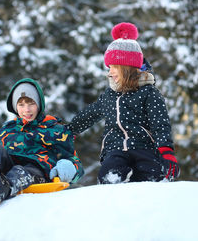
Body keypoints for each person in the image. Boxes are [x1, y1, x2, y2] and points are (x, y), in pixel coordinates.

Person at [67, 22, 179, 184]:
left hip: (144, 148)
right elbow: (90, 113)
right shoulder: (109, 95)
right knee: (109, 176)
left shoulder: (149, 93)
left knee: (153, 179)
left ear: (126, 67)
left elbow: (160, 124)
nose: (109, 72)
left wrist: (166, 152)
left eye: (113, 67)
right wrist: (71, 130)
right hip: (115, 149)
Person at [0, 78, 84, 209]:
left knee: (19, 171)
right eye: (21, 105)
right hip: (7, 167)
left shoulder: (55, 130)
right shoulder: (7, 130)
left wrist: (69, 168)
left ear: (39, 104)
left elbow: (76, 163)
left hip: (37, 171)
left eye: (31, 104)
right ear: (15, 106)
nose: (27, 110)